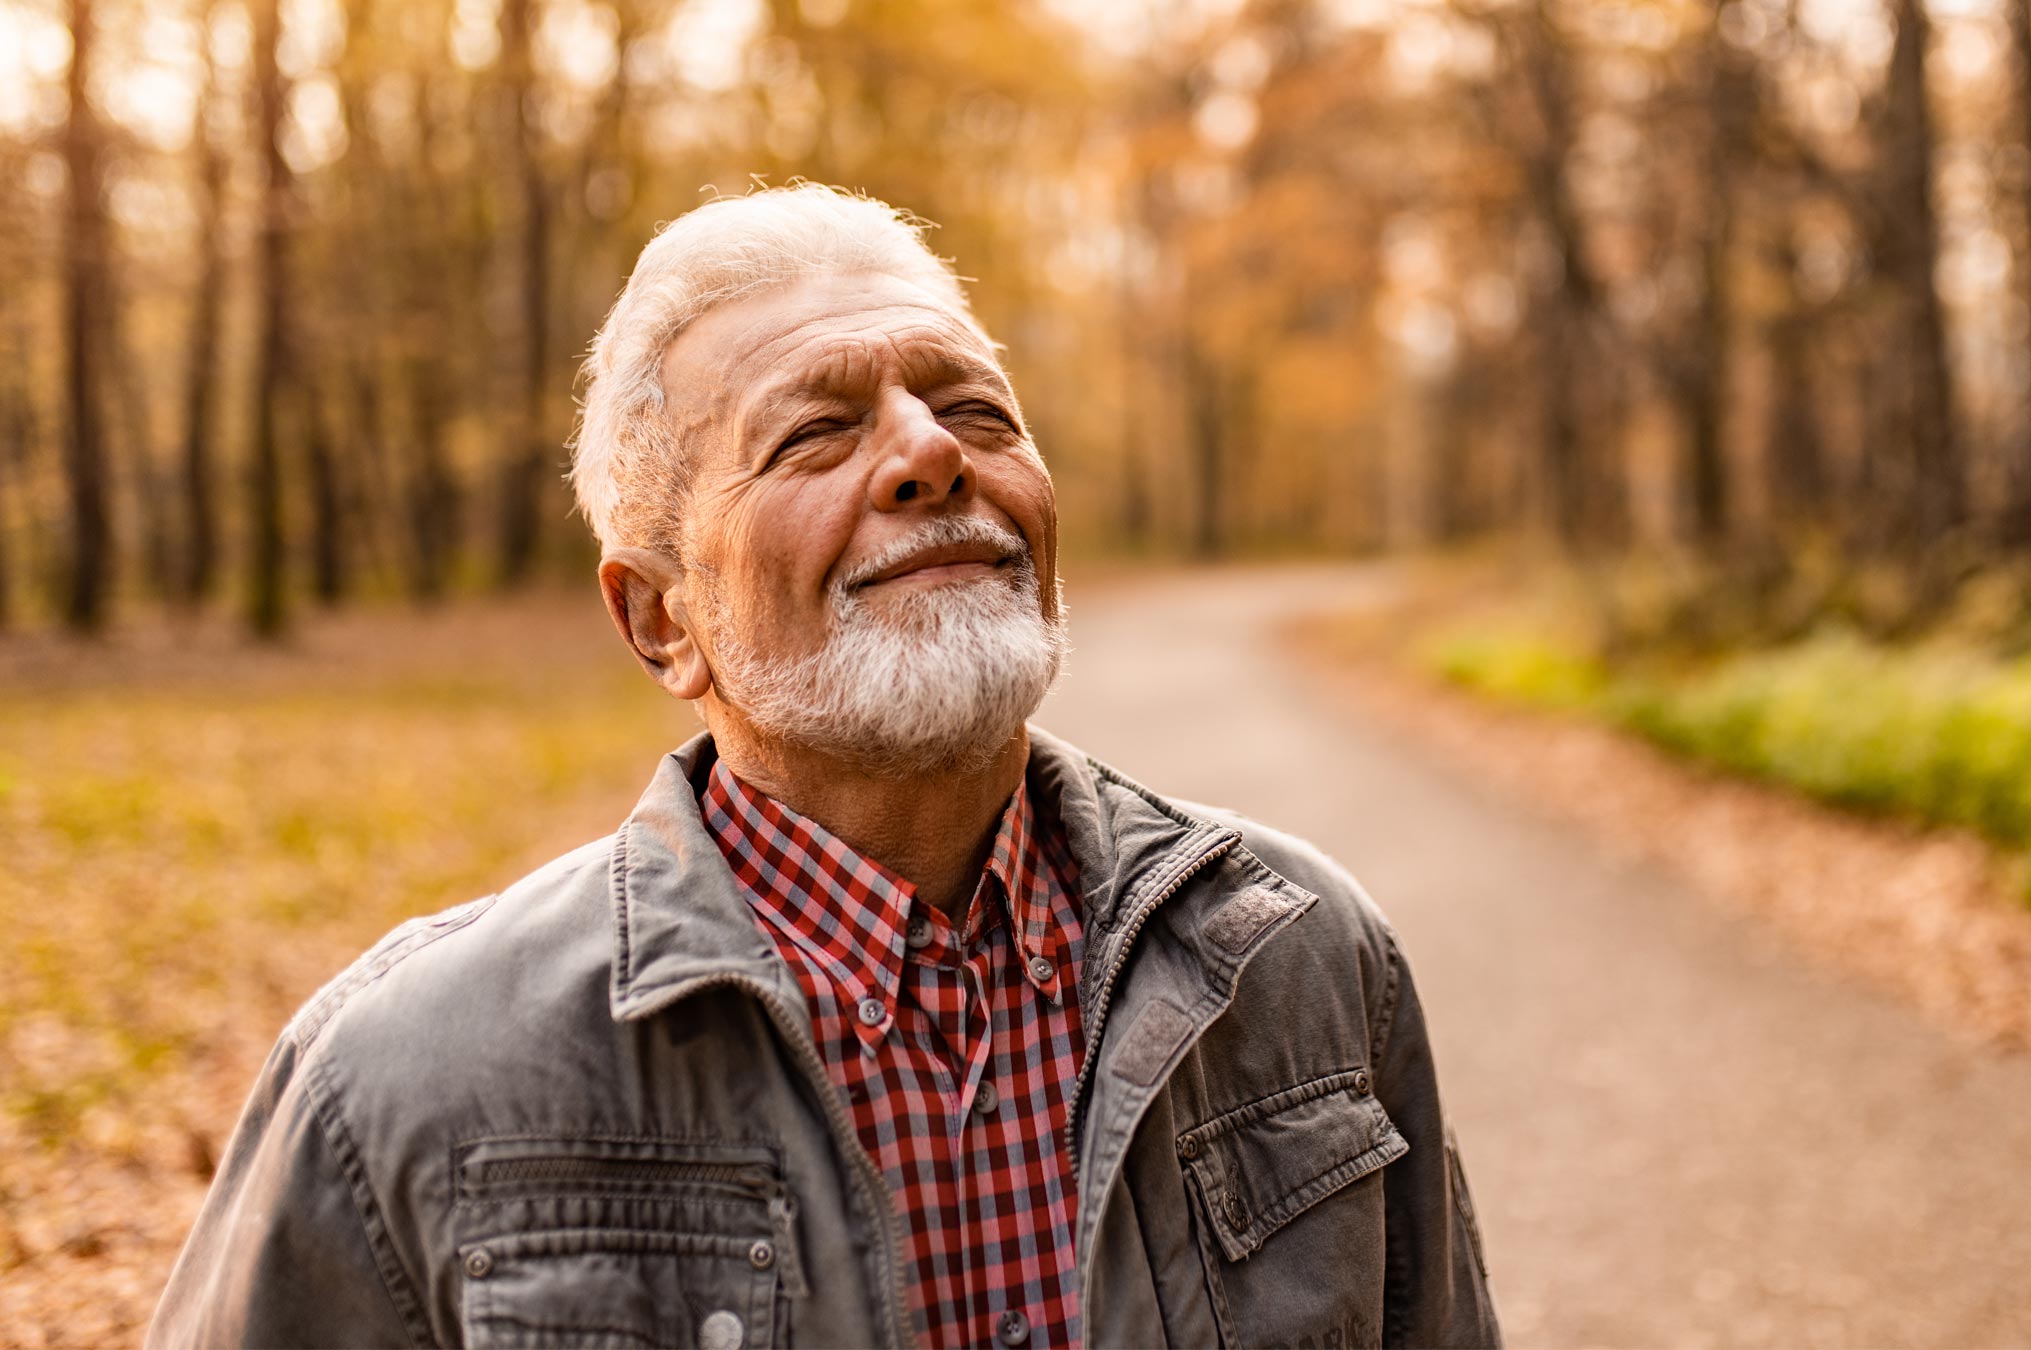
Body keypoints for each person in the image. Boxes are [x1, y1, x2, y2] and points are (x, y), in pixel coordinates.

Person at [150, 183, 1500, 1349]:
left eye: (975, 409)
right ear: (661, 618)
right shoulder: (399, 1082)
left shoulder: (1306, 960)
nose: (928, 454)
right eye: (815, 434)